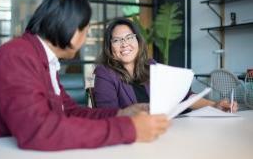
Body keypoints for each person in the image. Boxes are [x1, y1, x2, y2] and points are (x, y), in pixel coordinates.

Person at [0, 0, 170, 151]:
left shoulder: (42, 58)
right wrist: (130, 129)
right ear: (71, 29)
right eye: (85, 31)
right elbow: (39, 131)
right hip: (4, 157)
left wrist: (121, 114)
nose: (84, 40)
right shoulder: (16, 55)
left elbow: (70, 111)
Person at [93, 17, 238, 112]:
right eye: (117, 40)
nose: (124, 44)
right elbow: (108, 114)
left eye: (129, 37)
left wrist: (214, 106)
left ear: (138, 41)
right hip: (133, 138)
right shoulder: (104, 73)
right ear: (110, 47)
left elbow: (184, 96)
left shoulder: (151, 66)